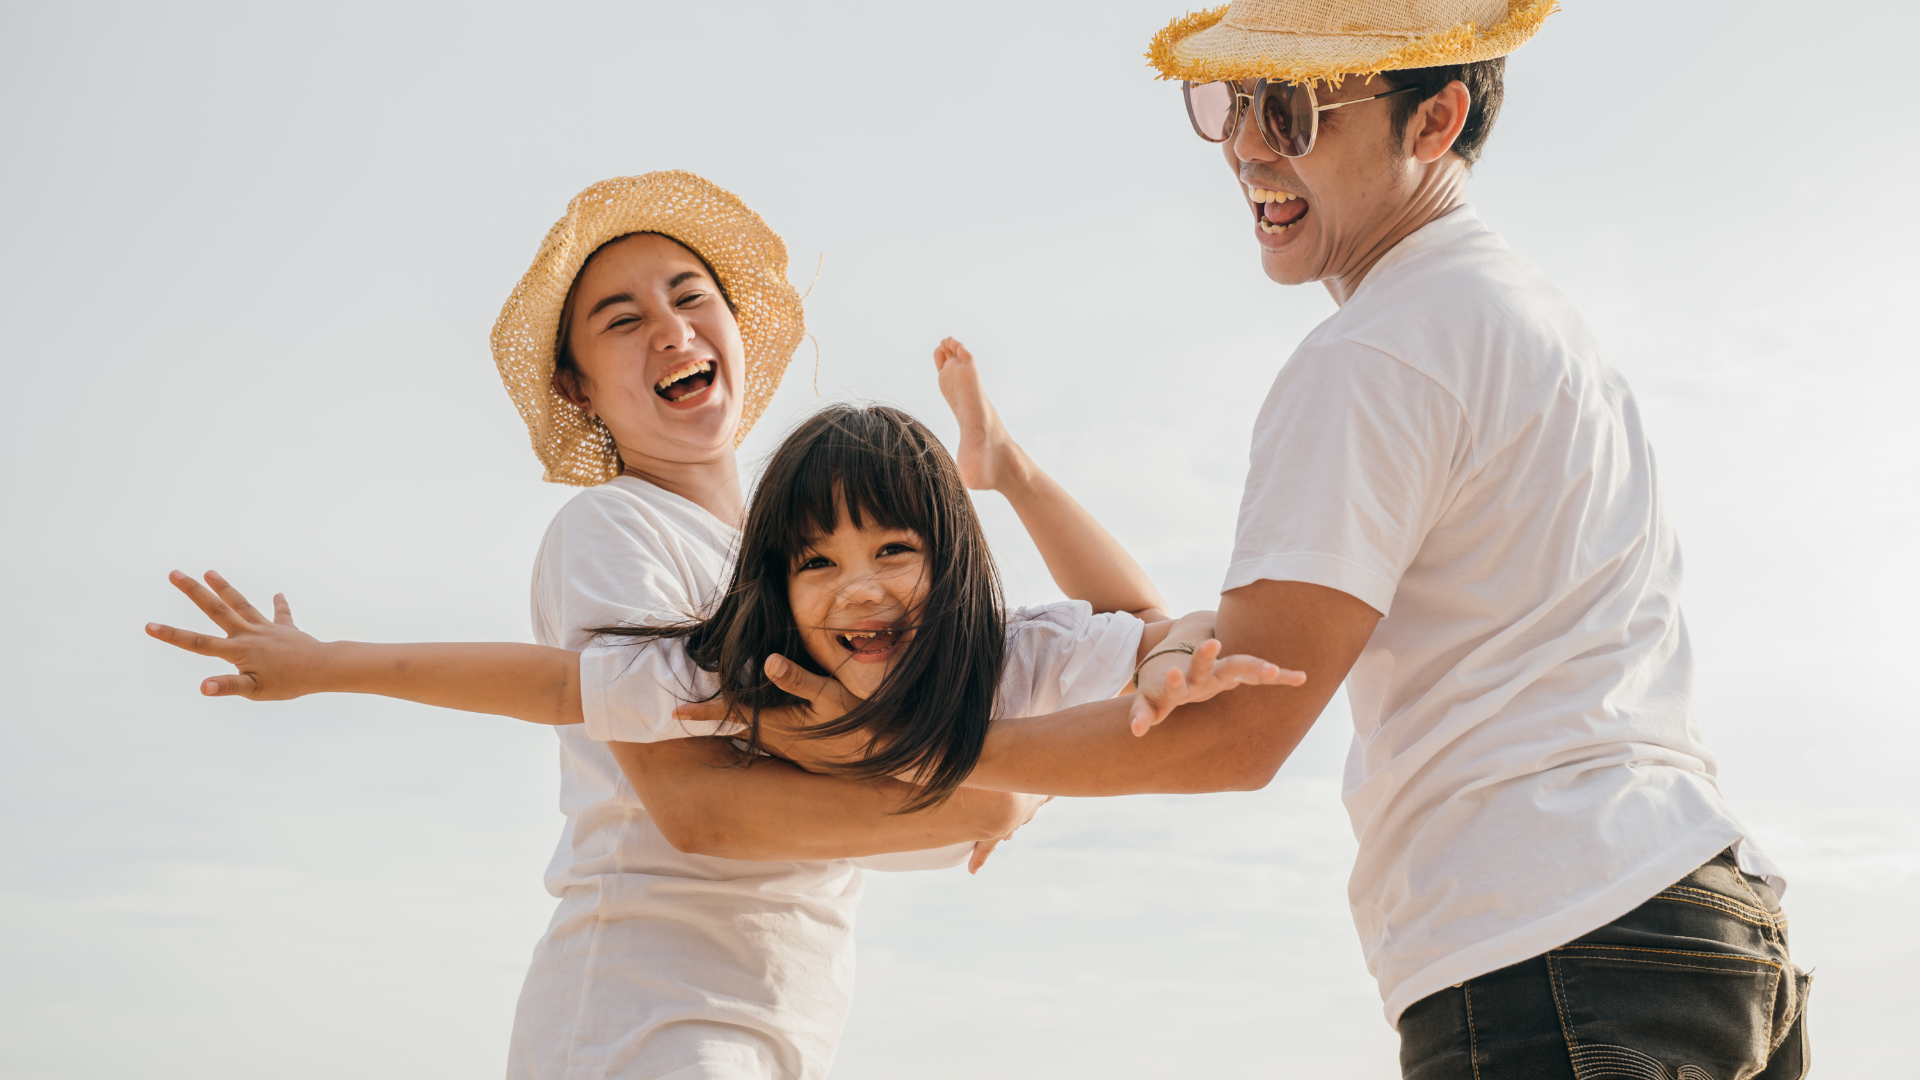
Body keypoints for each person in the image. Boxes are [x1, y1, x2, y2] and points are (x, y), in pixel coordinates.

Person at [728, 4, 1812, 1077]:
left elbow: (1236, 736)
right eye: (1231, 102)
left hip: (1555, 951)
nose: (1249, 146)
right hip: (1705, 919)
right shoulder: (1533, 318)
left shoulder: (1374, 355)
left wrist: (912, 744)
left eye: (1294, 109)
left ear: (1434, 121)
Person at [146, 173, 1292, 1079]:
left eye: (692, 296)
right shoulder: (617, 533)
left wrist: (1027, 503)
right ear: (580, 390)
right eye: (620, 317)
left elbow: (1117, 624)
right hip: (648, 1006)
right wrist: (972, 797)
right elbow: (683, 799)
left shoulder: (816, 584)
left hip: (785, 1006)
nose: (671, 326)